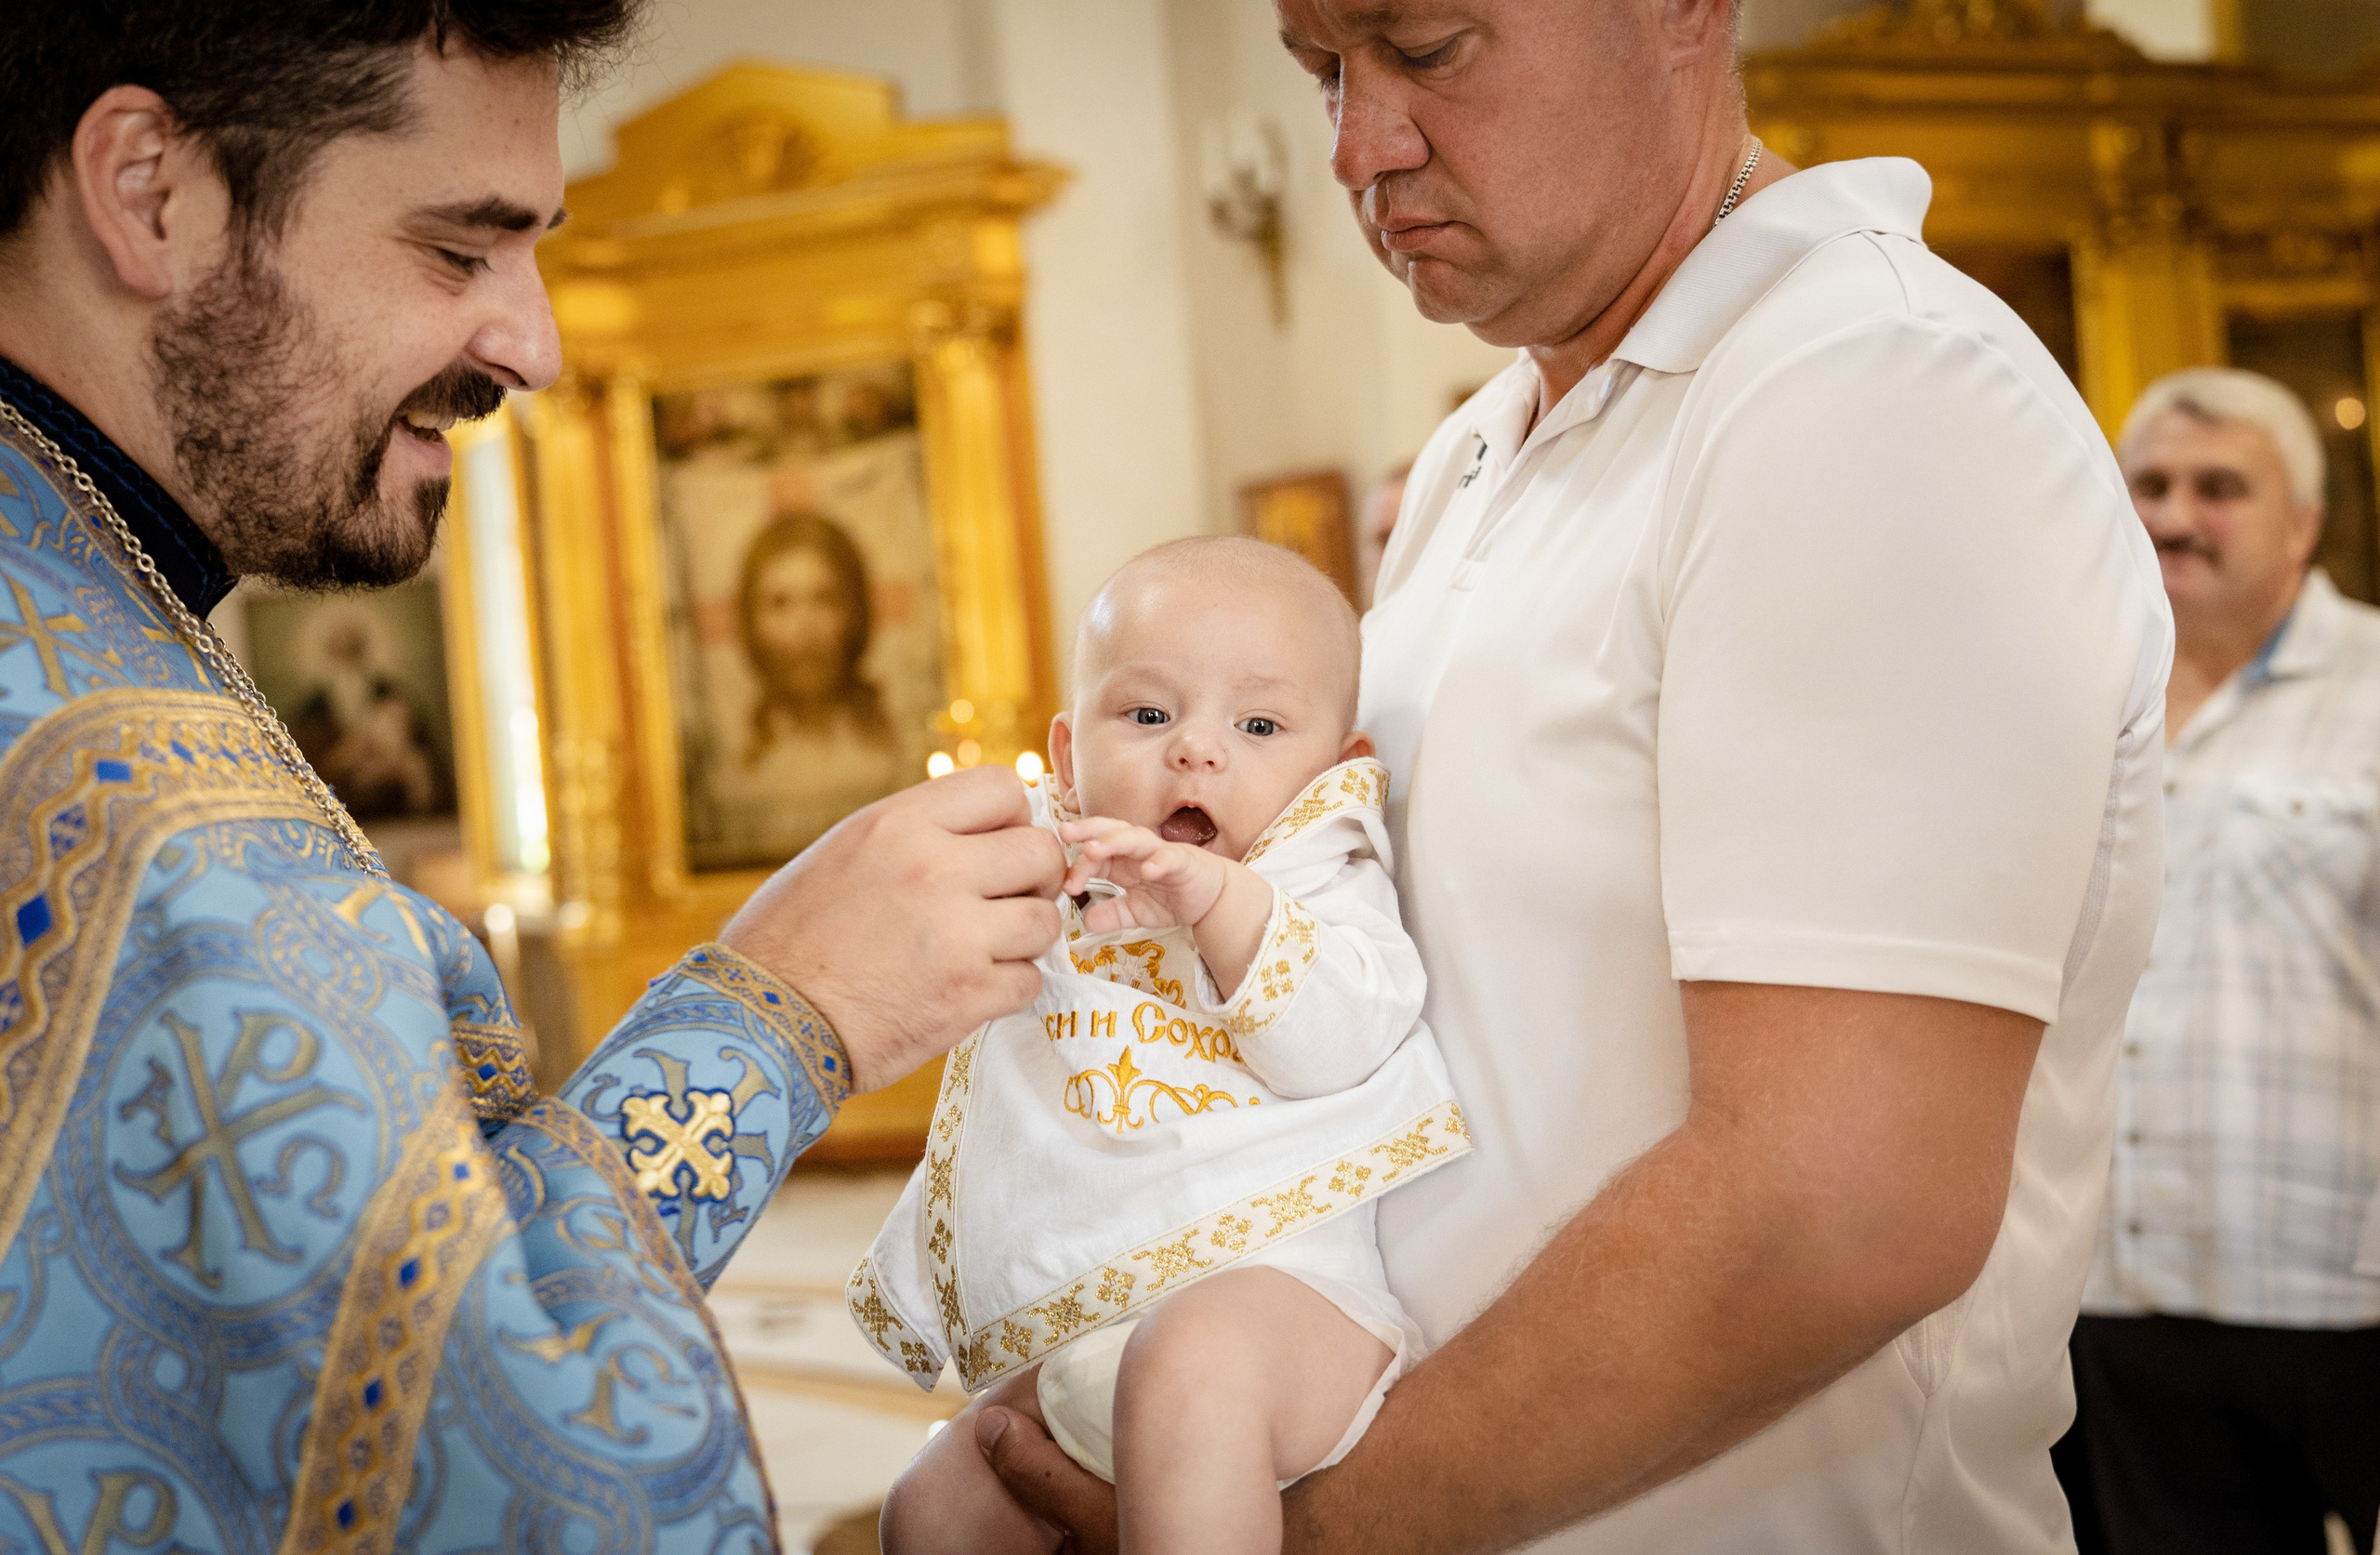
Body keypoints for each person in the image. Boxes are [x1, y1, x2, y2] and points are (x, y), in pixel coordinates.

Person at [978, 2, 2172, 1551]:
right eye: (1321, 70)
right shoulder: (1490, 443)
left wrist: (1321, 1528)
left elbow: (1838, 1209)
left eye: (1427, 46)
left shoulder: (1875, 389)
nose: (1357, 144)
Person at [0, 7, 1064, 1550]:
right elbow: (517, 1487)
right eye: (458, 250)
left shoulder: (77, 608)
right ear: (151, 189)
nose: (534, 345)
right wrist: (777, 1014)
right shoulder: (122, 794)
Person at [862, 536, 1466, 1555]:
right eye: (1147, 715)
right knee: (933, 1498)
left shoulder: (1316, 872)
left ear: (1340, 763)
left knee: (1187, 1363)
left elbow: (1339, 1037)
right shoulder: (1055, 871)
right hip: (1087, 1321)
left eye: (1259, 723)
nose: (1195, 749)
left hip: (1283, 1305)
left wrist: (1224, 904)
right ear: (1065, 756)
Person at [2060, 368, 2380, 1553]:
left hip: (2347, 1299)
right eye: (2148, 485)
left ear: (2302, 521)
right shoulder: (2074, 701)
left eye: (2220, 487)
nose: (2175, 514)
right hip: (2119, 1292)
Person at [711, 508, 906, 855]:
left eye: (823, 599)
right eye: (780, 603)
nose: (804, 628)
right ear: (752, 622)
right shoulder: (730, 765)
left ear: (853, 612)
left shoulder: (901, 748)